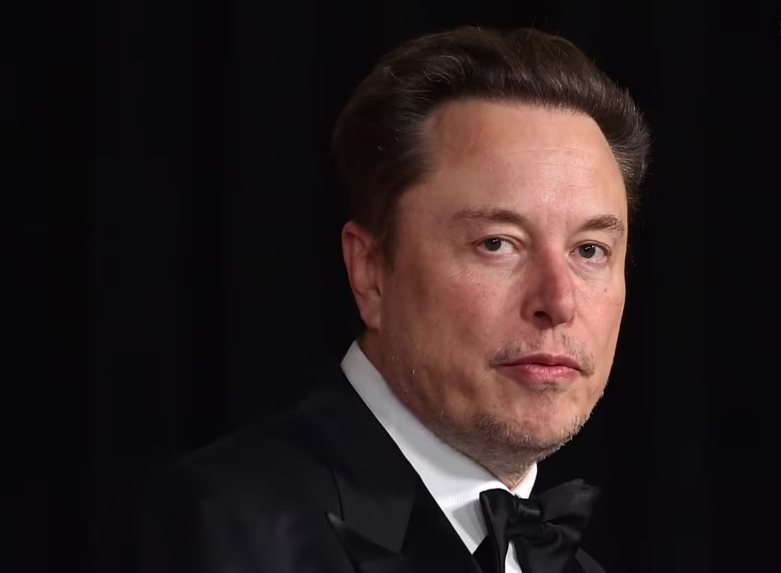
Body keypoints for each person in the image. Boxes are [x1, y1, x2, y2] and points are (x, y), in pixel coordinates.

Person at [131, 24, 649, 573]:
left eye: (590, 250)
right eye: (497, 243)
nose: (559, 301)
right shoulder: (220, 530)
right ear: (370, 272)